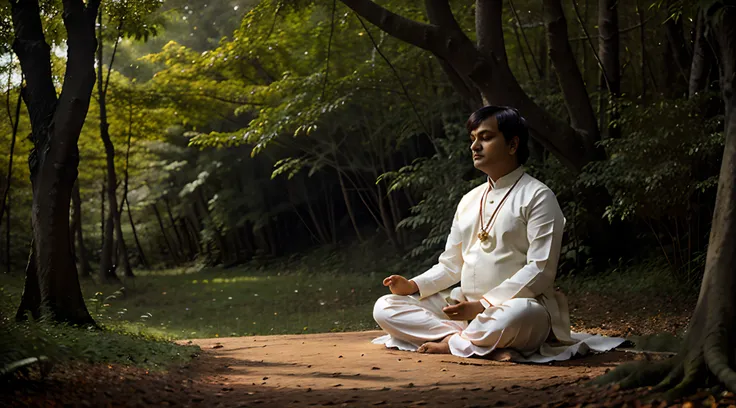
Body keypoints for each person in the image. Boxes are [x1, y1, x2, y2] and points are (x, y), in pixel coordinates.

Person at [372, 106, 625, 361]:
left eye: (485, 137)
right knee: (385, 307)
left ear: (513, 144)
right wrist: (413, 285)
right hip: (463, 307)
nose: (474, 146)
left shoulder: (538, 196)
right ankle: (469, 341)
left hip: (512, 309)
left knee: (524, 315)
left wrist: (483, 305)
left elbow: (540, 269)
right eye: (472, 139)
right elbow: (451, 265)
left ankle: (456, 341)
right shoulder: (469, 200)